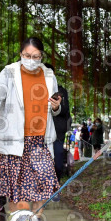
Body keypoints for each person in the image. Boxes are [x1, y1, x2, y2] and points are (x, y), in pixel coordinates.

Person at [0, 37, 62, 221]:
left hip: (40, 139)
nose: (30, 59)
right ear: (20, 54)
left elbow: (54, 107)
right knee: (16, 189)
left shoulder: (48, 74)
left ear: (41, 56)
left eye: (35, 56)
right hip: (14, 139)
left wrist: (56, 107)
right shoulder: (9, 72)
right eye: (27, 56)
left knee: (43, 185)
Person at [44, 63, 71, 191]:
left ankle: (55, 187)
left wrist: (57, 107)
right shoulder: (36, 90)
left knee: (58, 164)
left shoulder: (61, 91)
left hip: (58, 133)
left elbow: (66, 111)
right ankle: (43, 191)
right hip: (39, 133)